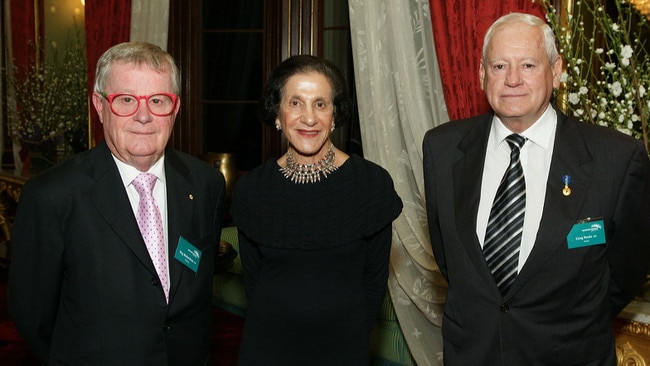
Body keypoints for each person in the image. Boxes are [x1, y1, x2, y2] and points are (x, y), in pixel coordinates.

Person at [422, 12, 650, 365]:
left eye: (528, 65)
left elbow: (627, 271)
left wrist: (568, 322)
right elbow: (451, 260)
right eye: (499, 66)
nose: (512, 79)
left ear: (556, 71)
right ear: (482, 74)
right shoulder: (442, 149)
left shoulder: (617, 158)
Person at [8, 42, 225, 365]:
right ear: (99, 106)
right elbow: (34, 316)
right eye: (125, 100)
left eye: (158, 100)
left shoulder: (205, 184)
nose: (143, 116)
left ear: (175, 108)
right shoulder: (52, 196)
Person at [230, 54, 402, 365]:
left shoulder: (370, 185)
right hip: (266, 348)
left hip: (344, 349)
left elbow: (374, 281)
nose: (309, 117)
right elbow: (255, 282)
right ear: (278, 115)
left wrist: (347, 339)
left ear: (335, 116)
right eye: (295, 103)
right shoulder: (252, 190)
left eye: (320, 104)